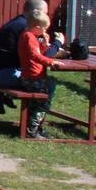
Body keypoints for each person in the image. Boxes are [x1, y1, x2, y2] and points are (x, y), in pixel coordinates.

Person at [0, 0, 64, 115]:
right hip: (2, 74)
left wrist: (50, 47)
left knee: (29, 75)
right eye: (45, 14)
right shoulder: (26, 29)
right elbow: (40, 56)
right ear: (36, 12)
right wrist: (58, 43)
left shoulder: (18, 22)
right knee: (47, 84)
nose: (46, 18)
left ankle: (4, 97)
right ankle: (35, 122)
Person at [16, 9, 66, 139]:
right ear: (37, 27)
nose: (46, 30)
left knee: (43, 96)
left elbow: (38, 53)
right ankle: (32, 131)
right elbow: (34, 56)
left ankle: (37, 128)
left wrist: (43, 45)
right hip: (33, 76)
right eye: (45, 28)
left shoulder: (30, 37)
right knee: (42, 102)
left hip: (34, 75)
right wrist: (51, 62)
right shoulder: (28, 37)